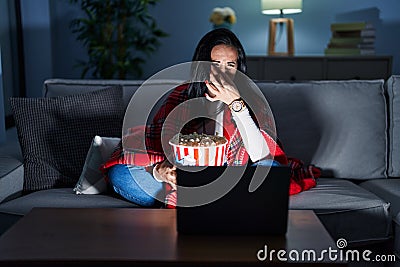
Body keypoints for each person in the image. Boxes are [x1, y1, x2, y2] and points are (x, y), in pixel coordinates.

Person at [101, 28, 318, 208]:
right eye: (215, 65)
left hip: (234, 176)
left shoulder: (251, 99)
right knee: (121, 175)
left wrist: (236, 105)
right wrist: (160, 173)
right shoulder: (181, 96)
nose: (222, 74)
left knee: (273, 170)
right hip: (183, 176)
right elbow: (163, 146)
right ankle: (202, 202)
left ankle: (208, 202)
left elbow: (261, 155)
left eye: (230, 66)